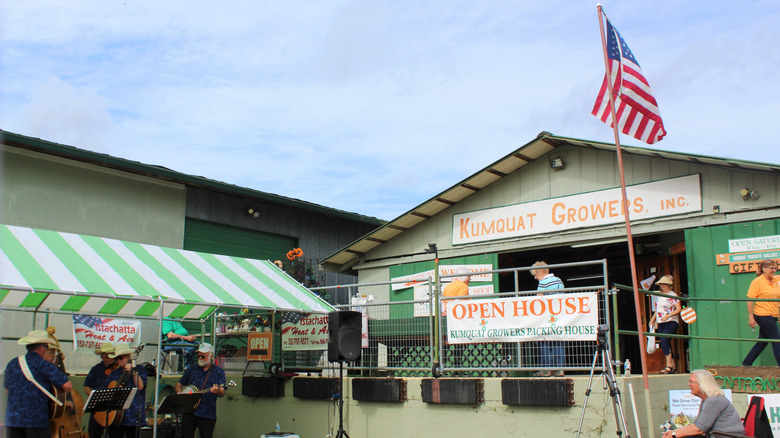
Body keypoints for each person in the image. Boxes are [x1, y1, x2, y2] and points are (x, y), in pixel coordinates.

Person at [4, 330, 72, 438]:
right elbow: (67, 386)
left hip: (13, 420)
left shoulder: (12, 363)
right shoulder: (43, 364)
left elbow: (7, 390)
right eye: (46, 346)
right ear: (41, 348)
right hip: (36, 420)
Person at [662, 369, 745, 438]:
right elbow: (696, 425)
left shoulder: (713, 400)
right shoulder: (708, 399)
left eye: (691, 382)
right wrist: (673, 432)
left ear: (702, 384)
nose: (689, 385)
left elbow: (699, 429)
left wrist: (674, 435)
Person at [176, 343, 227, 438]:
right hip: (189, 412)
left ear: (211, 356)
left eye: (203, 356)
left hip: (207, 413)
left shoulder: (218, 372)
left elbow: (222, 391)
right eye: (198, 356)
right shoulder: (192, 369)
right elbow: (179, 385)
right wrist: (181, 395)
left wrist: (218, 391)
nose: (200, 358)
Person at [102, 344, 147, 438]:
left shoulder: (140, 369)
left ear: (128, 357)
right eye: (116, 358)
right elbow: (103, 390)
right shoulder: (114, 373)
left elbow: (140, 386)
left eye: (120, 358)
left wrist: (133, 371)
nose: (118, 360)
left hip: (132, 416)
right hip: (115, 417)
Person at [742, 259, 780, 366]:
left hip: (773, 315)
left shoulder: (775, 281)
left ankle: (746, 364)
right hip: (763, 314)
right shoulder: (757, 282)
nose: (774, 270)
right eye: (772, 268)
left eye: (775, 268)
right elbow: (750, 299)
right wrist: (750, 316)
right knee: (777, 341)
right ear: (764, 268)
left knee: (762, 343)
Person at [531, 261, 565, 377]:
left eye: (535, 274)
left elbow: (538, 301)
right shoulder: (559, 280)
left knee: (544, 342)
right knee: (558, 342)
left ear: (541, 272)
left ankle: (546, 369)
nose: (535, 277)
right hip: (558, 316)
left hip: (546, 317)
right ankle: (560, 368)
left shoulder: (543, 283)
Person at [649, 275, 682, 374]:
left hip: (671, 321)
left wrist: (668, 316)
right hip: (661, 321)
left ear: (668, 285)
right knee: (666, 342)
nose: (662, 286)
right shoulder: (660, 295)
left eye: (664, 284)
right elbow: (657, 310)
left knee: (664, 340)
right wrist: (653, 319)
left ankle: (669, 366)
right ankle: (673, 366)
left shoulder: (673, 295)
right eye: (661, 284)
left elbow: (679, 308)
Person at [441, 267, 472, 371]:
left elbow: (443, 302)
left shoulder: (448, 287)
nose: (470, 279)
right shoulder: (463, 287)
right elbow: (459, 302)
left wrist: (445, 311)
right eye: (469, 277)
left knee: (445, 342)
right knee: (459, 342)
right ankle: (457, 366)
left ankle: (443, 364)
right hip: (459, 319)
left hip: (447, 318)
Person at [84, 342, 117, 438]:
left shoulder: (118, 369)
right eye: (106, 356)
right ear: (102, 357)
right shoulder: (95, 369)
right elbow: (86, 386)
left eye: (111, 356)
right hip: (97, 406)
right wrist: (94, 396)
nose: (110, 358)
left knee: (114, 434)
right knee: (94, 433)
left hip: (113, 408)